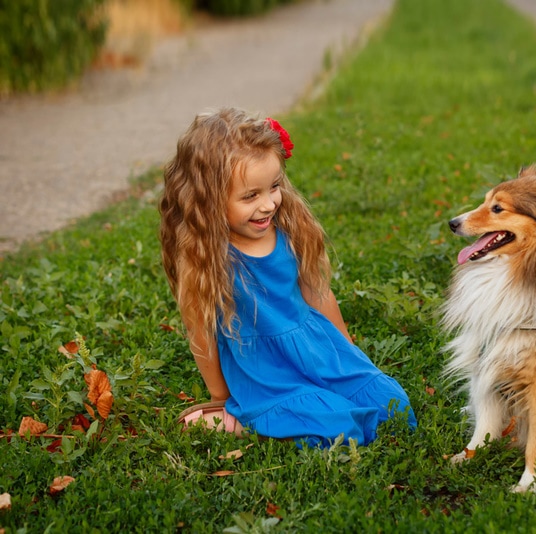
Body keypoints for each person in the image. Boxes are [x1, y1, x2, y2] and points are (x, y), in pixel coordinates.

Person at [159, 107, 416, 447]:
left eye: (274, 187)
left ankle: (302, 408)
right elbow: (199, 328)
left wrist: (348, 353)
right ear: (207, 199)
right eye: (251, 196)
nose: (268, 204)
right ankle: (234, 419)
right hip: (264, 372)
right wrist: (223, 396)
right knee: (338, 431)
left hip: (316, 348)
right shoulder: (205, 255)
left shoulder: (291, 227)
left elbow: (318, 294)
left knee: (394, 409)